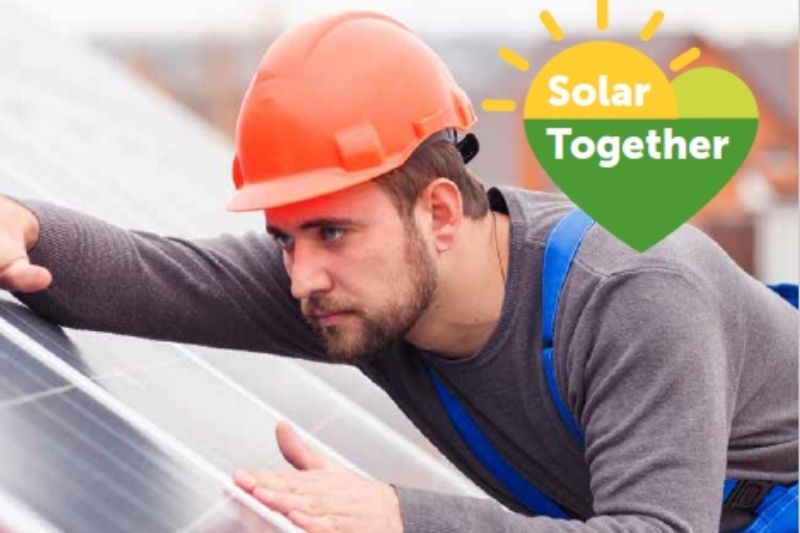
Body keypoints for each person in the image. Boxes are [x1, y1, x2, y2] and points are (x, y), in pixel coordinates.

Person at [1, 10, 797, 533]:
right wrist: (24, 224)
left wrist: (399, 515)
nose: (302, 275)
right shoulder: (364, 286)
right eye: (284, 238)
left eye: (331, 230)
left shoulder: (632, 296)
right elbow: (155, 277)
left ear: (442, 213)